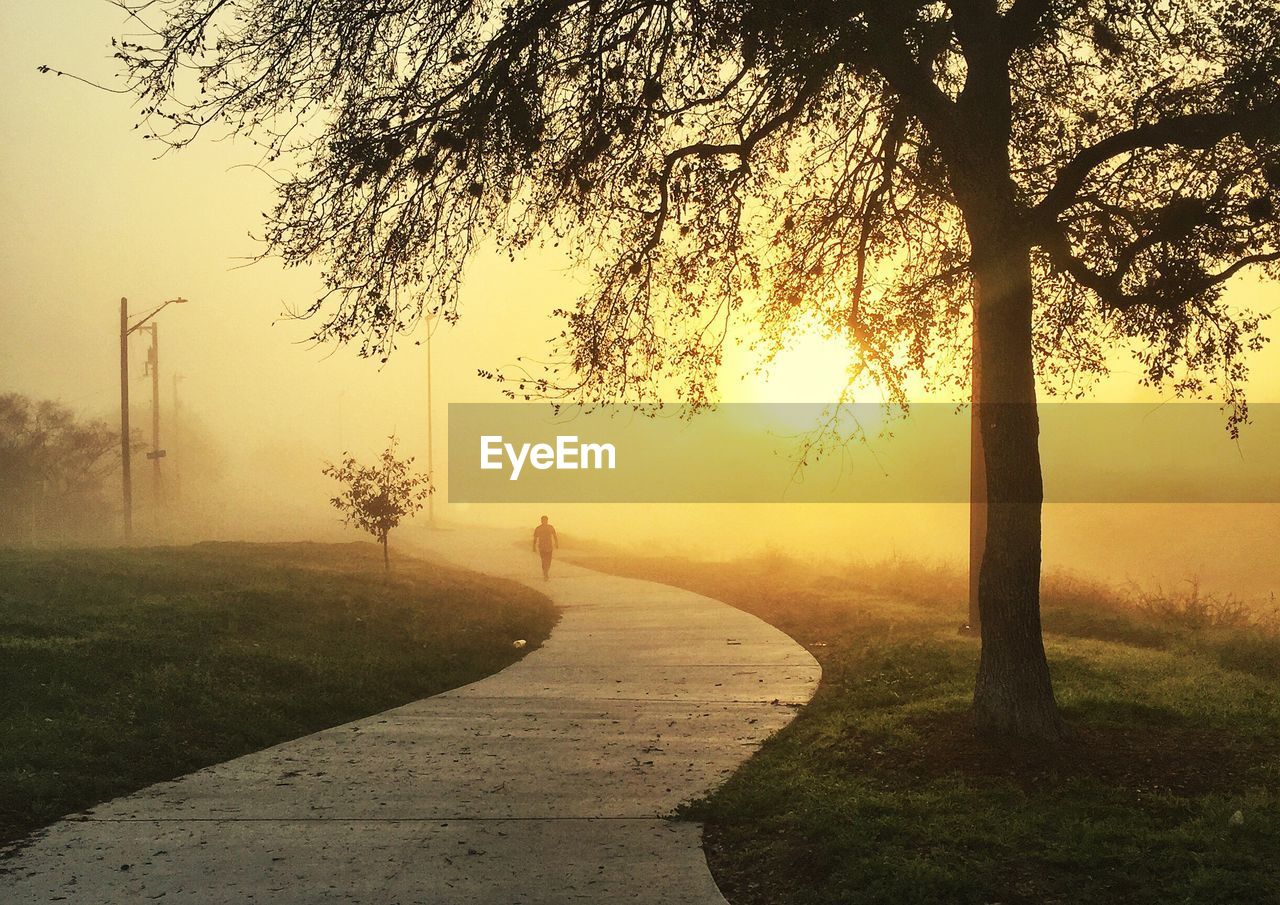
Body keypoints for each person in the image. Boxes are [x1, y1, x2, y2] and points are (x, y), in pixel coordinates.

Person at [532, 515, 559, 581]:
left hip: (549, 547)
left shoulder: (550, 527)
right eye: (543, 520)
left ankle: (546, 571)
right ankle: (545, 573)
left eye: (545, 520)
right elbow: (535, 538)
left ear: (547, 520)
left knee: (549, 561)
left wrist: (556, 543)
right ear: (541, 521)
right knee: (544, 560)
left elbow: (554, 535)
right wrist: (534, 547)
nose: (544, 521)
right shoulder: (538, 528)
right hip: (542, 547)